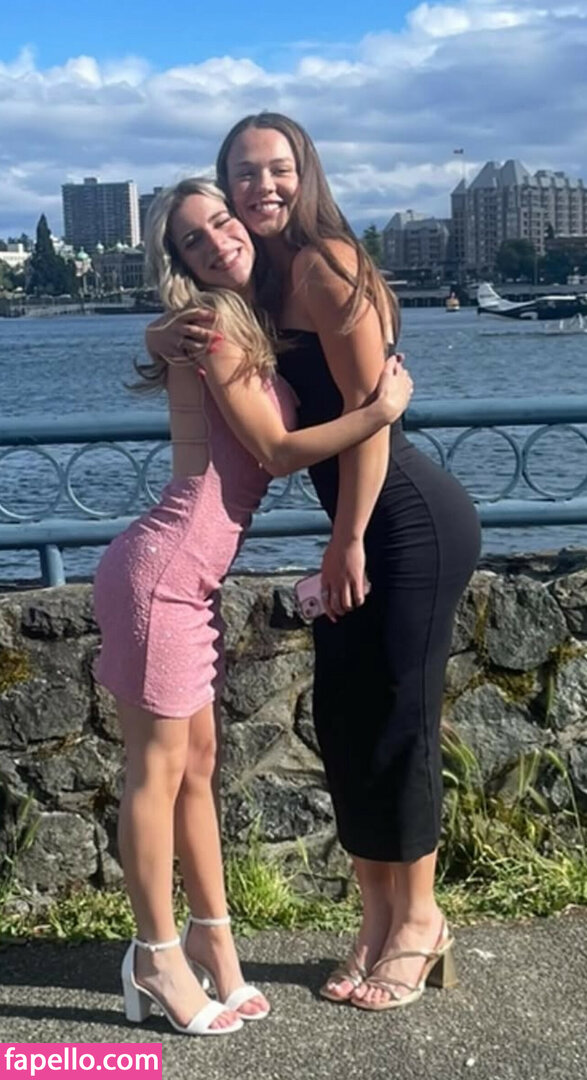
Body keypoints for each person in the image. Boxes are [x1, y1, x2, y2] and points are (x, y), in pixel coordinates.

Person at [147, 116, 481, 1013]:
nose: (262, 186)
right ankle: (374, 923)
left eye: (278, 169)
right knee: (343, 716)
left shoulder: (327, 265)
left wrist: (346, 540)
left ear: (306, 173)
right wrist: (156, 339)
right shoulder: (258, 277)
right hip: (360, 525)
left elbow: (374, 418)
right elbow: (181, 332)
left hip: (404, 521)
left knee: (398, 717)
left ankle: (420, 923)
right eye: (243, 173)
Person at [93, 176, 413, 1037]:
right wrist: (378, 411)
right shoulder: (208, 325)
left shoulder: (244, 317)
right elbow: (272, 451)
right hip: (161, 574)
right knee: (156, 773)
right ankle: (155, 957)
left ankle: (214, 943)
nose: (217, 241)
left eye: (221, 222)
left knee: (196, 767)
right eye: (193, 240)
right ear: (180, 262)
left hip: (187, 578)